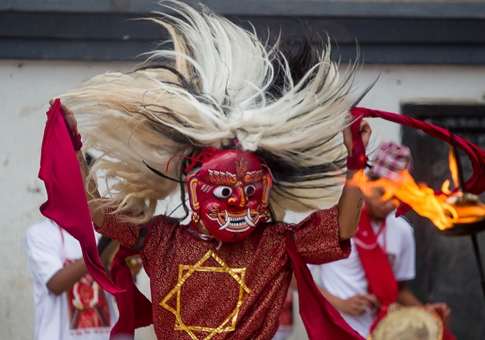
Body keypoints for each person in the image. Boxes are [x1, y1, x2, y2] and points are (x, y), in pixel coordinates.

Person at [40, 1, 374, 339]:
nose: (236, 203)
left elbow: (343, 227)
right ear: (195, 188)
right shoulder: (158, 238)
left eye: (249, 191)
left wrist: (356, 162)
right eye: (225, 191)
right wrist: (74, 149)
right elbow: (96, 213)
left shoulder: (276, 243)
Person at [313, 141, 451, 338]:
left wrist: (426, 313)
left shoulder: (402, 231)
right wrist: (339, 303)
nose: (389, 204)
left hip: (384, 333)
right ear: (367, 183)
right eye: (382, 193)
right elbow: (295, 276)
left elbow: (398, 291)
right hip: (336, 329)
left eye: (396, 197)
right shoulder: (334, 223)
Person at [25, 219, 117, 340]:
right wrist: (99, 252)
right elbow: (55, 284)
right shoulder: (40, 233)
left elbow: (116, 285)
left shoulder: (99, 230)